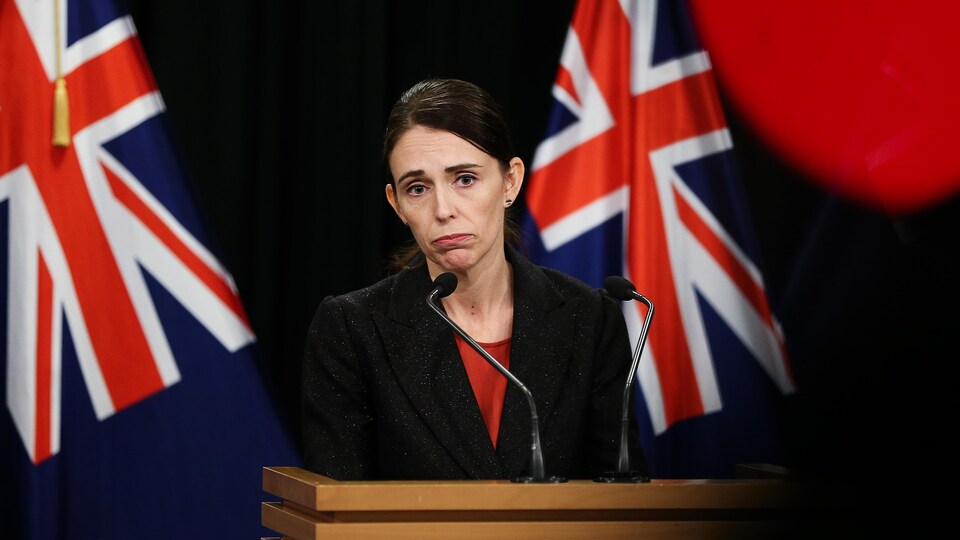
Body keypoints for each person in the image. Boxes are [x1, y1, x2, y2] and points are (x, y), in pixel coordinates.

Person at [300, 77, 647, 481]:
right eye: (417, 188)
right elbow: (338, 506)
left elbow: (621, 497)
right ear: (396, 204)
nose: (443, 209)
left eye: (464, 179)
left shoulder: (589, 318)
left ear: (510, 182)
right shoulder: (352, 327)